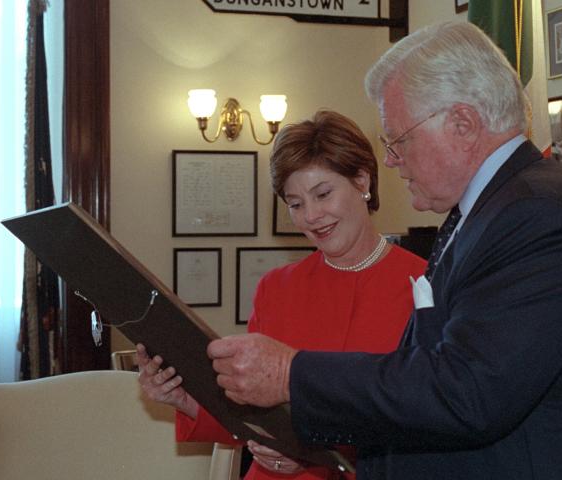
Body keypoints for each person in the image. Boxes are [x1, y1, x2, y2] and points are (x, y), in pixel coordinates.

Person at [207, 21, 562, 479]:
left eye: (399, 139)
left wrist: (292, 373)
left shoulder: (539, 217)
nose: (390, 159)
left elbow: (466, 394)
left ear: (463, 123)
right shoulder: (493, 210)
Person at [137, 110, 427, 479]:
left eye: (323, 194)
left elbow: (423, 420)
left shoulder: (422, 283)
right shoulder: (276, 286)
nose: (311, 216)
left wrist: (310, 451)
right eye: (295, 203)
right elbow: (248, 411)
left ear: (362, 180)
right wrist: (186, 400)